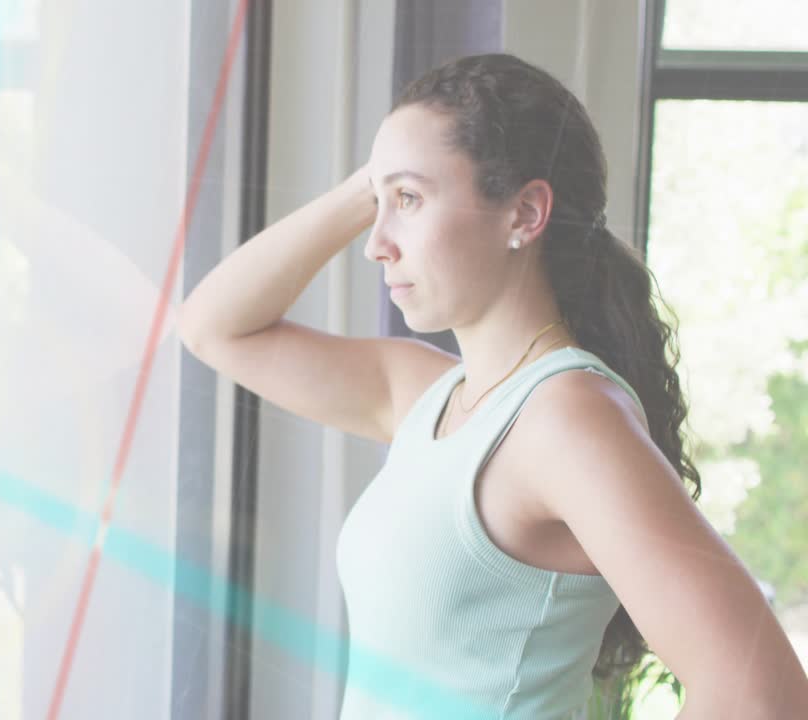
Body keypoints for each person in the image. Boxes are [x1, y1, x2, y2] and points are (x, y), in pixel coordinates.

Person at [178, 53, 808, 718]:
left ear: (525, 212)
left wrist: (389, 172)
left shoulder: (567, 418)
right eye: (380, 205)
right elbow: (213, 328)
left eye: (411, 202)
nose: (377, 243)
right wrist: (377, 178)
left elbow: (760, 691)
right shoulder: (423, 396)